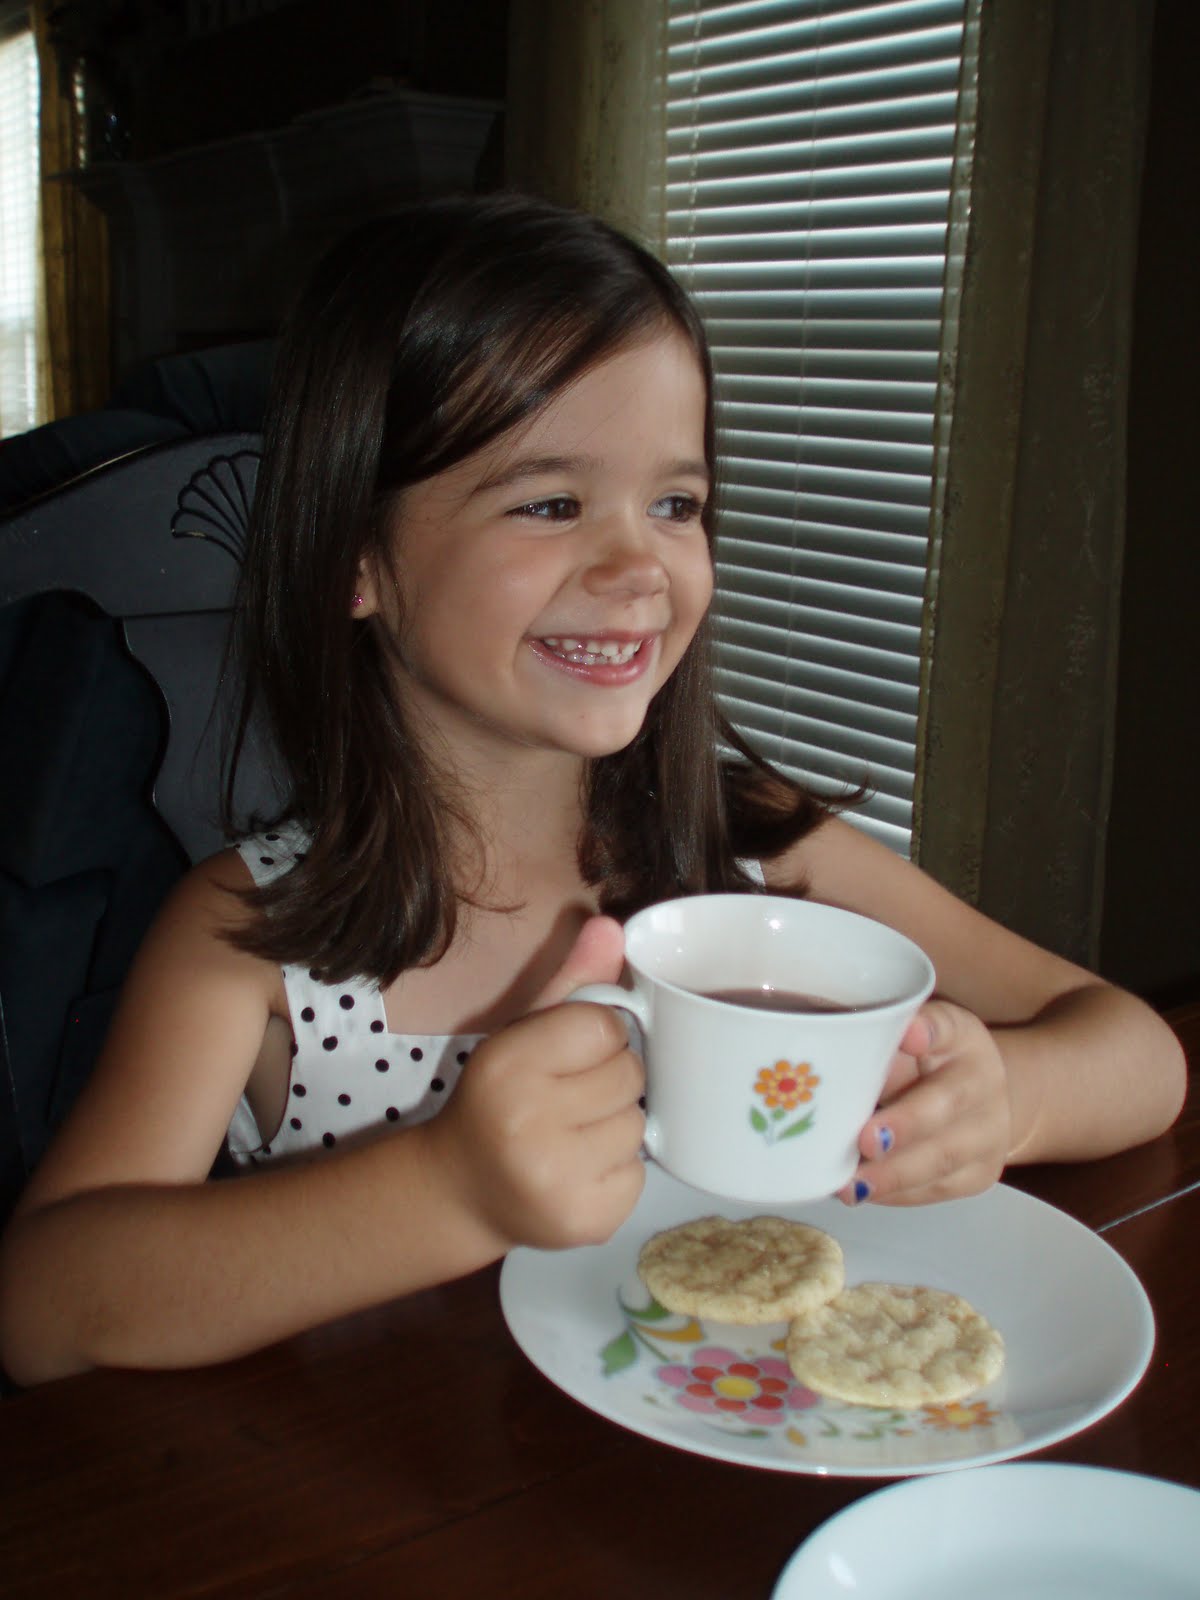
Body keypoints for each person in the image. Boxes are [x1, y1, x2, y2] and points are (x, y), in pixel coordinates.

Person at [0, 194, 1185, 1388]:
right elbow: (45, 1305)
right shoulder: (250, 938)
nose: (638, 565)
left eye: (676, 503)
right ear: (359, 558)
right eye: (551, 502)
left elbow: (1138, 1053)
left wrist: (1006, 1104)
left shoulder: (764, 855)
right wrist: (448, 1187)